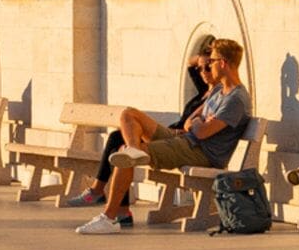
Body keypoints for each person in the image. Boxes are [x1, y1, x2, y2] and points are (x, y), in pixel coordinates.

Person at [80, 39, 248, 235]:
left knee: (123, 155)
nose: (208, 66)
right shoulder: (219, 90)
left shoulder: (236, 99)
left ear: (223, 63)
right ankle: (135, 150)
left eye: (211, 61)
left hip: (201, 153)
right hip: (186, 140)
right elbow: (190, 121)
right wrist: (199, 122)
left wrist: (198, 124)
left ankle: (109, 218)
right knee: (129, 114)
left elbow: (202, 132)